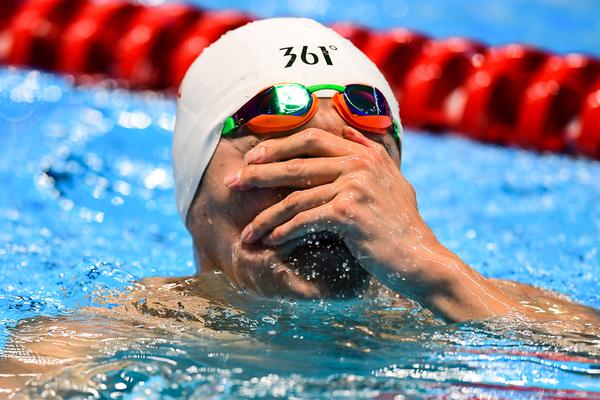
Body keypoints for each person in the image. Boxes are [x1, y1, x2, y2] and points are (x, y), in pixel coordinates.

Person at [1, 17, 598, 396]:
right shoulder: (115, 335)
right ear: (194, 199)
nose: (323, 201)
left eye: (355, 170)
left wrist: (438, 276)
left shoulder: (501, 307)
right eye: (285, 165)